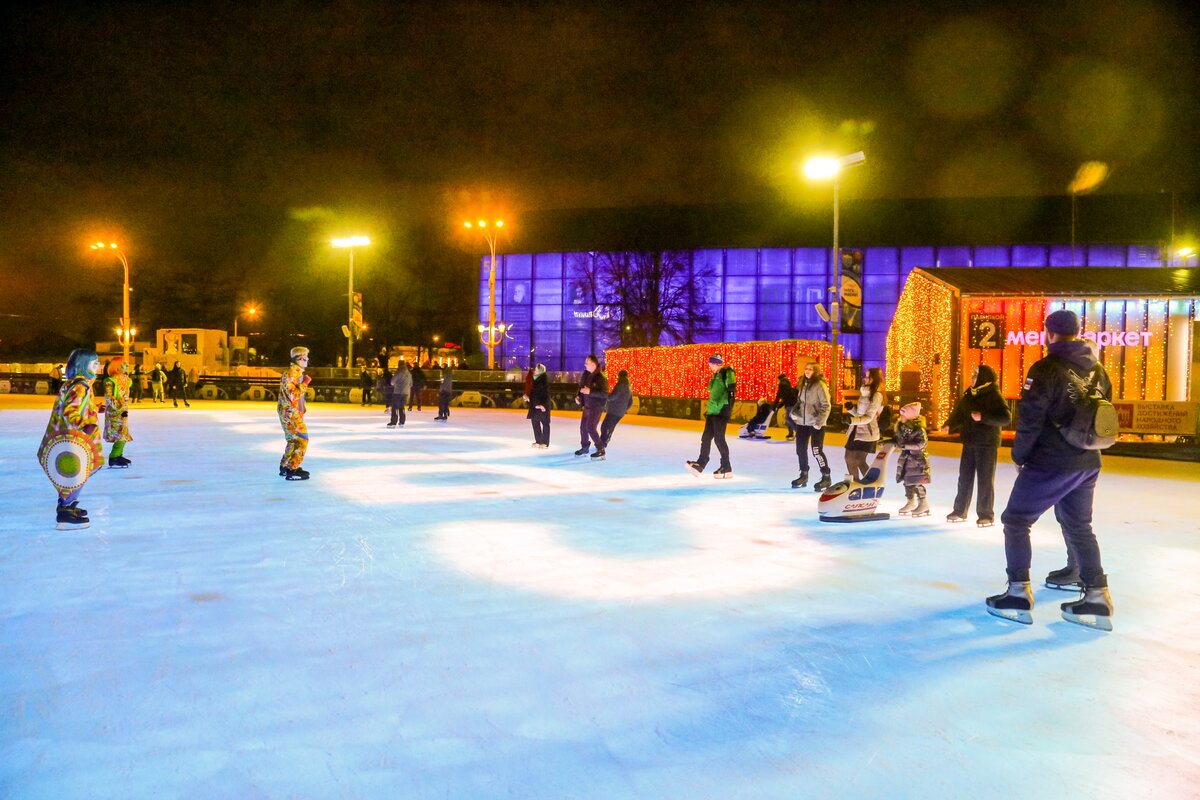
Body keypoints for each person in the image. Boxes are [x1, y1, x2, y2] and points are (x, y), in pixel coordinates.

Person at [986, 309, 1115, 631]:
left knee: (1016, 520)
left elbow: (1030, 420)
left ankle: (1017, 594)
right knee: (1079, 526)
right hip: (1088, 461)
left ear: (1049, 333)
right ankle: (1097, 596)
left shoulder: (1045, 369)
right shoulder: (1098, 370)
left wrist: (1019, 456)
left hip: (1050, 461)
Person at [37, 349, 104, 529]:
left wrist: (94, 408)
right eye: (95, 363)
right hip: (73, 437)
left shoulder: (75, 383)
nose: (98, 366)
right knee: (76, 472)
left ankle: (67, 504)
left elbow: (77, 406)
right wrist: (84, 424)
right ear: (83, 365)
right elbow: (70, 410)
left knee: (73, 472)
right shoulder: (80, 385)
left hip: (67, 435)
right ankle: (65, 512)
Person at [943, 364, 1011, 526]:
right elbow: (959, 414)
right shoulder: (969, 394)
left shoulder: (994, 395)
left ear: (984, 378)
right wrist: (949, 425)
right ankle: (960, 510)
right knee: (964, 478)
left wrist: (983, 417)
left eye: (975, 375)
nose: (972, 377)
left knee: (985, 480)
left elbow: (1005, 418)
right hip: (969, 441)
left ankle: (986, 514)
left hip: (987, 444)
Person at [686, 353, 736, 479]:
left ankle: (726, 467)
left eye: (712, 365)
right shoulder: (715, 375)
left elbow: (731, 391)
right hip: (712, 411)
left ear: (717, 364)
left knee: (719, 439)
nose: (710, 367)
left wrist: (727, 408)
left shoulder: (727, 373)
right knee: (706, 438)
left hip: (721, 411)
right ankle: (701, 463)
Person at [789, 360, 832, 490]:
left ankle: (826, 476)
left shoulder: (820, 385)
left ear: (816, 372)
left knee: (816, 450)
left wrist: (819, 422)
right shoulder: (803, 384)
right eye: (806, 368)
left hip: (816, 423)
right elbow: (800, 402)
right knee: (800, 449)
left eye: (810, 369)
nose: (807, 371)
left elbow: (826, 405)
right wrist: (794, 412)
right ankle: (804, 474)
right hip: (802, 423)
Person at [843, 368, 884, 482]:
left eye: (868, 377)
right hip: (856, 430)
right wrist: (851, 409)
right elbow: (860, 414)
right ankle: (856, 483)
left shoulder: (876, 395)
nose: (865, 379)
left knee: (858, 460)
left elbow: (869, 418)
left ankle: (871, 483)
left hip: (868, 433)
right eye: (865, 376)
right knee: (850, 458)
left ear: (874, 379)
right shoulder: (864, 393)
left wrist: (851, 420)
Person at [278, 346, 312, 480]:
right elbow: (293, 395)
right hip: (291, 413)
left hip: (288, 411)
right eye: (305, 358)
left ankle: (285, 466)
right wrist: (305, 383)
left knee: (293, 440)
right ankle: (292, 469)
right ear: (299, 359)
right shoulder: (293, 373)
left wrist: (302, 407)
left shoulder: (293, 373)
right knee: (302, 440)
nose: (307, 360)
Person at [893, 401, 931, 517]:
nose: (901, 416)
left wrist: (905, 446)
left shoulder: (918, 430)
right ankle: (910, 502)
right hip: (906, 459)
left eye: (903, 414)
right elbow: (897, 441)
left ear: (910, 417)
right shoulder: (902, 428)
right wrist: (886, 442)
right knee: (907, 481)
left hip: (917, 460)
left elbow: (921, 444)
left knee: (917, 482)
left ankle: (923, 503)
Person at [574, 354, 609, 459]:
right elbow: (581, 387)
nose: (585, 365)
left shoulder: (601, 378)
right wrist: (578, 396)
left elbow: (604, 394)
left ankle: (600, 449)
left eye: (587, 363)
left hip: (596, 407)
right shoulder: (586, 374)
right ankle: (585, 447)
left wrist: (590, 391)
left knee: (590, 427)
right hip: (587, 406)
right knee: (583, 428)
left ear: (593, 365)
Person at [103, 357, 133, 468]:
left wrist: (123, 408)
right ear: (117, 367)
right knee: (120, 434)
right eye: (124, 364)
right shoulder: (110, 381)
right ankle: (114, 457)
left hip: (123, 411)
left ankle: (118, 455)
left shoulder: (126, 380)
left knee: (123, 434)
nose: (127, 366)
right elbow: (109, 397)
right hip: (114, 412)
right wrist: (118, 407)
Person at [601, 369, 633, 448]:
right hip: (619, 412)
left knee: (605, 426)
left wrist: (605, 395)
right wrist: (623, 409)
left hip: (613, 411)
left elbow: (612, 396)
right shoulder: (628, 388)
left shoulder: (620, 385)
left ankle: (602, 443)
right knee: (610, 426)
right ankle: (603, 442)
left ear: (619, 376)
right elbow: (631, 402)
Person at [528, 363, 551, 448]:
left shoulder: (544, 381)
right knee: (535, 422)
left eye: (536, 370)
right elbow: (534, 393)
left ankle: (545, 442)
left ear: (540, 372)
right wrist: (529, 398)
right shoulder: (535, 380)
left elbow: (546, 394)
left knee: (545, 423)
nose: (534, 371)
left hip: (542, 406)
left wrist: (543, 405)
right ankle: (538, 441)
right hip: (535, 405)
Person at [774, 373, 799, 441]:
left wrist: (776, 405)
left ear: (780, 379)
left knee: (788, 419)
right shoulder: (787, 384)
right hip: (792, 403)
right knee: (788, 419)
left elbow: (780, 396)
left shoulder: (782, 384)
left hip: (790, 404)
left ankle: (798, 432)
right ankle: (790, 433)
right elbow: (786, 396)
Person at [389, 363, 412, 427]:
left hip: (398, 392)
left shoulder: (398, 372)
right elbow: (411, 384)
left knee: (395, 407)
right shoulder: (409, 374)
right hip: (405, 393)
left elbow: (392, 382)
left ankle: (393, 422)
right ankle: (402, 421)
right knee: (402, 407)